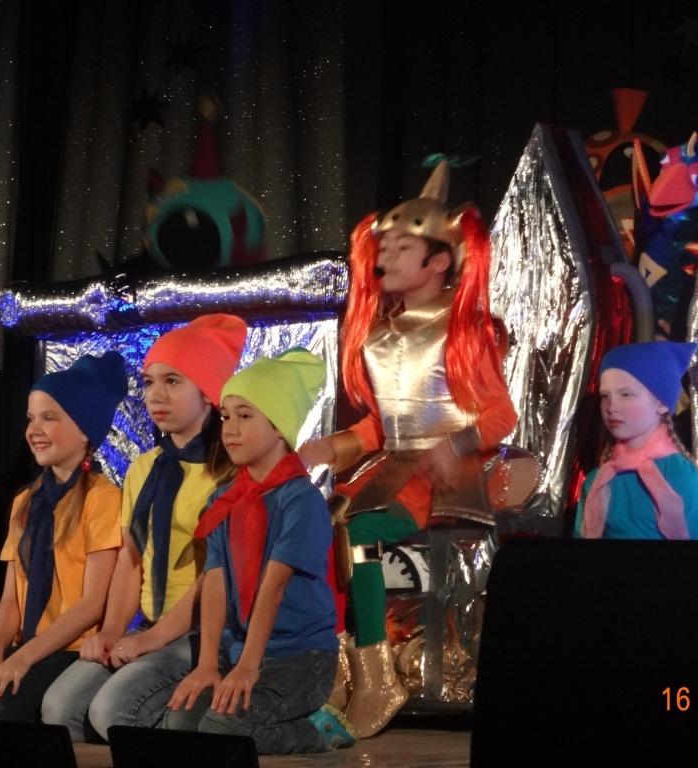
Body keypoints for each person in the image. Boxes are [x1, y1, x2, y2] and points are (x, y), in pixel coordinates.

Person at [297, 160, 518, 737]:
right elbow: (382, 425)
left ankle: (375, 674)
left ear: (439, 261)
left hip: (447, 476)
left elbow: (501, 415)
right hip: (396, 466)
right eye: (384, 249)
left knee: (361, 529)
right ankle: (341, 666)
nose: (384, 260)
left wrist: (455, 444)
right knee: (321, 523)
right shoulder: (378, 335)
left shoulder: (466, 330)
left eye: (400, 249)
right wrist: (333, 445)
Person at [42, 315, 247, 740]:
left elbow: (216, 577)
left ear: (208, 393)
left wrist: (154, 640)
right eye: (149, 382)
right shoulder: (144, 468)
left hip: (200, 632)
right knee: (59, 710)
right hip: (150, 625)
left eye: (172, 381)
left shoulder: (228, 474)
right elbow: (131, 559)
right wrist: (112, 631)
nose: (155, 395)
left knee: (112, 714)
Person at [164, 349, 355, 753]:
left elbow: (274, 586)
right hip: (241, 652)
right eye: (225, 417)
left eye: (245, 416)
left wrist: (249, 666)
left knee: (223, 731)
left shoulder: (300, 500)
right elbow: (215, 581)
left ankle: (315, 731)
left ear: (278, 427)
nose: (230, 429)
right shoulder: (224, 499)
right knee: (180, 721)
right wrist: (208, 665)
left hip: (300, 658)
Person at [0, 351, 128, 721]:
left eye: (49, 417)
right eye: (31, 418)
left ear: (84, 429)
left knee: (0, 709)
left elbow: (92, 604)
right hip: (28, 643)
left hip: (70, 648)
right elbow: (10, 599)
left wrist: (24, 659)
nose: (34, 430)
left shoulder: (103, 498)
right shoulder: (25, 503)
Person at [574, 341, 698, 540]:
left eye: (625, 394)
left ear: (661, 403)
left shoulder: (679, 475)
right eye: (605, 396)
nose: (611, 407)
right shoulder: (597, 481)